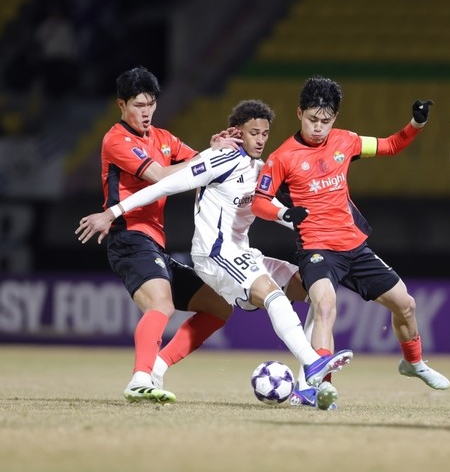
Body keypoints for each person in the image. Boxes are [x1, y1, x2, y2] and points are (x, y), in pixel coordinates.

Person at [76, 99, 353, 410]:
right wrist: (114, 211)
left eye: (264, 133)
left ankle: (305, 387)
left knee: (314, 289)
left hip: (243, 254)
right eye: (253, 133)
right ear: (238, 132)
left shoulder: (260, 169)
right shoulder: (220, 159)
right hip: (214, 255)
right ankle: (313, 363)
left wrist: (317, 227)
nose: (260, 140)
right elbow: (164, 186)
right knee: (272, 295)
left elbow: (275, 208)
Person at [250, 75, 450, 408]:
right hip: (316, 249)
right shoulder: (282, 157)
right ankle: (321, 389)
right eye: (312, 119)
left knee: (406, 305)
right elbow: (259, 202)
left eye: (325, 121)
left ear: (335, 119)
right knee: (325, 307)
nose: (318, 127)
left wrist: (416, 124)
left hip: (355, 248)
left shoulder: (347, 141)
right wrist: (285, 214)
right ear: (299, 113)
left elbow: (391, 145)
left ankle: (413, 363)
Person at [79, 65, 249, 404]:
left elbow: (201, 169)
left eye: (151, 104)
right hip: (129, 238)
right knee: (161, 304)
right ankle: (139, 379)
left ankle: (156, 366)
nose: (146, 112)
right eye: (138, 105)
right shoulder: (116, 139)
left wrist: (215, 150)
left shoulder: (163, 138)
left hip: (154, 244)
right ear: (121, 105)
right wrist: (207, 158)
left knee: (219, 307)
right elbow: (159, 175)